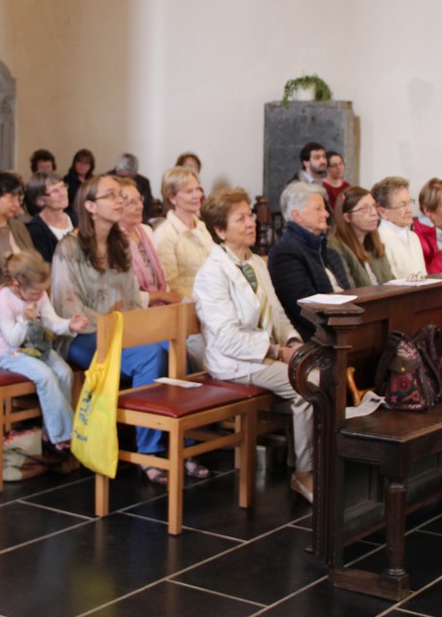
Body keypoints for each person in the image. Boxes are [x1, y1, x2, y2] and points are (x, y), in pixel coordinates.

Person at [50, 174, 202, 485]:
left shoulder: (119, 243)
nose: (120, 200)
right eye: (111, 195)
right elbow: (69, 308)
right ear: (90, 206)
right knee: (150, 356)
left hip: (121, 330)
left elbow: (132, 299)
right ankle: (149, 450)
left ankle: (180, 441)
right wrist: (119, 326)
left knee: (175, 349)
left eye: (121, 194)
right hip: (81, 335)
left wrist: (133, 326)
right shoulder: (70, 246)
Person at [192, 187, 315, 502]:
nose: (251, 223)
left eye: (250, 216)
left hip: (263, 355)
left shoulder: (256, 262)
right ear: (220, 230)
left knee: (321, 370)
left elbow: (277, 312)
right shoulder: (212, 274)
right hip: (234, 361)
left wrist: (293, 341)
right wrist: (278, 352)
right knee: (310, 383)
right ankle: (305, 472)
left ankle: (310, 461)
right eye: (241, 218)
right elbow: (226, 337)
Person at [0, 251, 88, 451]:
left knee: (64, 372)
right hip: (9, 352)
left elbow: (51, 320)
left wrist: (69, 325)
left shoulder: (39, 293)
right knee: (45, 376)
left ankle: (52, 432)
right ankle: (64, 435)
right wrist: (25, 319)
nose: (39, 296)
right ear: (16, 284)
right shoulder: (3, 299)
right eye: (35, 293)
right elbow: (13, 340)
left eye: (42, 291)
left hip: (35, 348)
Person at [268, 182, 350, 340]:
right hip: (317, 337)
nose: (326, 214)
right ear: (297, 215)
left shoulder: (324, 248)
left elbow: (348, 292)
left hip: (341, 325)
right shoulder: (286, 252)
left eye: (324, 208)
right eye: (318, 209)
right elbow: (305, 309)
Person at [152, 166, 212, 300]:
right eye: (189, 191)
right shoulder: (165, 234)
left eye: (197, 189)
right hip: (188, 305)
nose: (197, 195)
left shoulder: (201, 226)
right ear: (172, 198)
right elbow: (171, 285)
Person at [118, 178, 175, 301]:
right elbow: (122, 294)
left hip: (160, 303)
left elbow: (162, 273)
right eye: (131, 202)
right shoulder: (113, 240)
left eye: (140, 199)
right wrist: (161, 296)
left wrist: (167, 297)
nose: (140, 206)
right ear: (116, 207)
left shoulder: (146, 230)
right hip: (134, 307)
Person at [328, 187, 393, 288]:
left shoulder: (373, 241)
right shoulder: (334, 247)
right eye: (364, 209)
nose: (374, 213)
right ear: (347, 217)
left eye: (374, 206)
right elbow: (349, 290)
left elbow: (391, 282)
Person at [372, 176, 427, 280]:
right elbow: (390, 283)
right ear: (382, 212)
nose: (409, 210)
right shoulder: (379, 239)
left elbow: (423, 276)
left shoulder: (413, 237)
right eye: (403, 205)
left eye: (410, 202)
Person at [26, 170, 77, 262]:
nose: (63, 193)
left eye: (63, 187)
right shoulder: (35, 230)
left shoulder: (76, 219)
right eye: (55, 191)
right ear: (40, 200)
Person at [109, 153, 154, 221]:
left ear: (135, 172)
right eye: (123, 176)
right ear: (117, 170)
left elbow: (148, 206)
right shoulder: (107, 180)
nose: (126, 180)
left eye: (130, 176)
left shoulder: (143, 182)